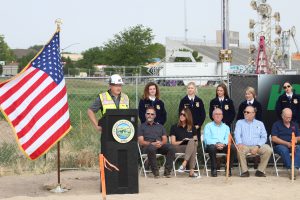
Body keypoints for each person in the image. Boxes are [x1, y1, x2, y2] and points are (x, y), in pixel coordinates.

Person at [234, 105, 272, 177]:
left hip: (257, 145)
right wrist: (239, 143)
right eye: (244, 111)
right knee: (239, 149)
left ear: (253, 113)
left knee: (268, 149)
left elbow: (264, 137)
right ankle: (245, 171)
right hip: (244, 145)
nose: (245, 113)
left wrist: (257, 146)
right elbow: (237, 134)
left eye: (247, 112)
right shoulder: (239, 122)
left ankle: (260, 171)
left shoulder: (260, 123)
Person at [138, 106, 175, 178]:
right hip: (147, 147)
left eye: (152, 114)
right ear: (145, 115)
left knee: (171, 147)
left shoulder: (160, 126)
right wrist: (151, 143)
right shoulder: (141, 127)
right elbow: (141, 142)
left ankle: (167, 172)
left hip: (159, 145)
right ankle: (156, 172)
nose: (150, 115)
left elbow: (165, 139)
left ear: (155, 116)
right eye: (148, 113)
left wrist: (161, 143)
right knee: (151, 148)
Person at [204, 108, 236, 177]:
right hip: (212, 146)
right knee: (212, 148)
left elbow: (228, 139)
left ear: (222, 116)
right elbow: (206, 139)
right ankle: (214, 169)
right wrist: (216, 144)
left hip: (223, 145)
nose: (218, 116)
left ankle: (228, 168)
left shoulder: (226, 127)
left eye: (220, 114)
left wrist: (223, 144)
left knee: (233, 147)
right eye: (216, 114)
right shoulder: (208, 126)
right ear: (212, 116)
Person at [271, 108, 300, 179]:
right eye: (287, 117)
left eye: (290, 117)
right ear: (282, 116)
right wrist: (286, 143)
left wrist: (296, 139)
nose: (288, 119)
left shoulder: (294, 124)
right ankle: (290, 169)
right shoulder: (276, 124)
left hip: (293, 145)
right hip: (280, 146)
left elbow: (299, 136)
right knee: (284, 149)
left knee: (299, 148)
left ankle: (294, 168)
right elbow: (273, 138)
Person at [170, 108, 199, 178]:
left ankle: (184, 163)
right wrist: (183, 141)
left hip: (189, 148)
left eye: (184, 115)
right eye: (181, 114)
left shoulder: (192, 127)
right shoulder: (174, 127)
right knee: (192, 145)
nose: (181, 116)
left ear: (188, 116)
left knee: (192, 143)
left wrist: (190, 142)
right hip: (178, 147)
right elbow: (173, 142)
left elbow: (196, 142)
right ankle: (191, 170)